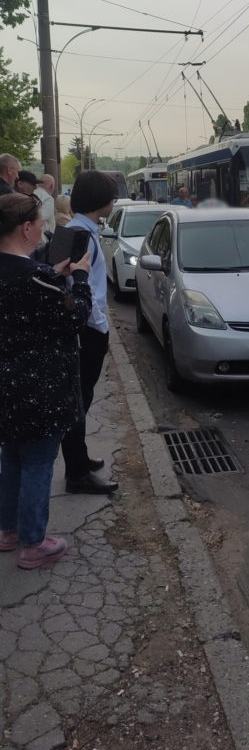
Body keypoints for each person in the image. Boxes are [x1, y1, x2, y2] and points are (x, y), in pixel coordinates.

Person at [0, 191, 92, 569]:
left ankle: (8, 531)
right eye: (40, 223)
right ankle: (34, 543)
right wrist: (80, 278)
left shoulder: (35, 276)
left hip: (5, 385)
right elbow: (76, 316)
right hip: (40, 387)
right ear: (26, 229)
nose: (43, 229)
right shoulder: (37, 279)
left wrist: (55, 275)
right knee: (38, 462)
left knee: (11, 457)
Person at [62, 170, 119, 495]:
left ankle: (79, 459)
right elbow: (81, 289)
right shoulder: (81, 235)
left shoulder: (79, 230)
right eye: (111, 197)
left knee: (81, 399)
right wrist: (100, 328)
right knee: (78, 402)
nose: (113, 202)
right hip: (87, 332)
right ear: (100, 201)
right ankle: (77, 474)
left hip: (85, 329)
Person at [35, 173, 56, 240]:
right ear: (51, 186)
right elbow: (40, 217)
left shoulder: (31, 193)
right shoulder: (48, 198)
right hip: (42, 239)